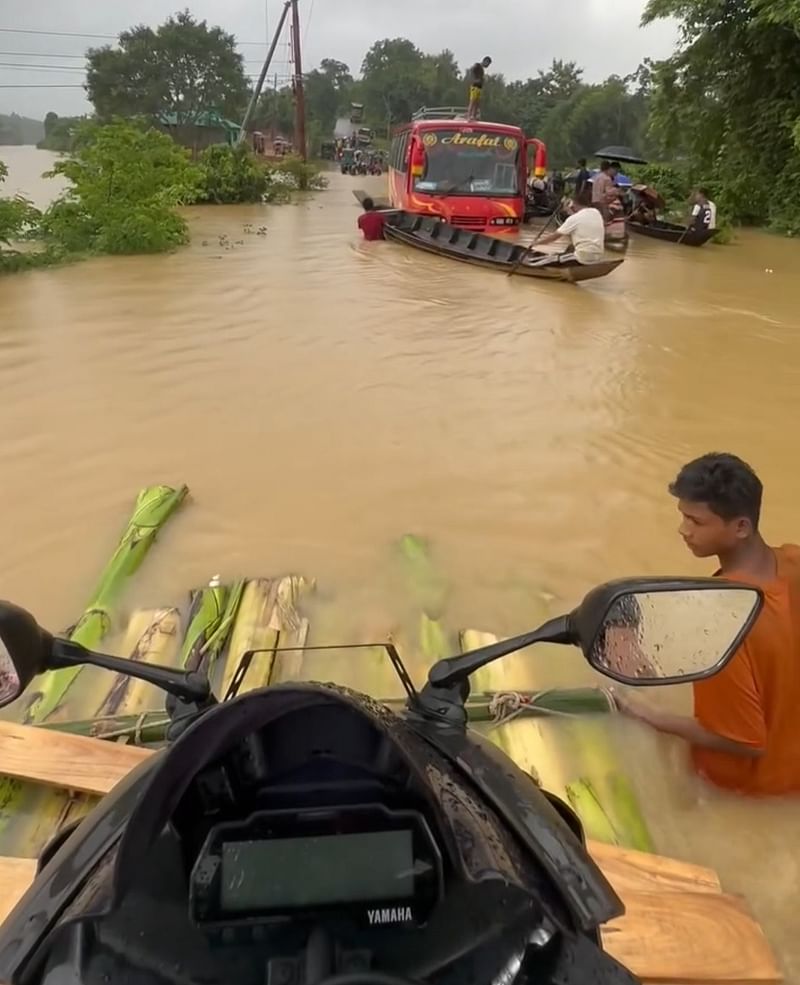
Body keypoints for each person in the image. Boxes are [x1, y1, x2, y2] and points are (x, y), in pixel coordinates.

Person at [615, 452, 800, 796]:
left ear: (741, 526)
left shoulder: (718, 621)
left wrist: (648, 715)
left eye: (696, 522)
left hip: (747, 786)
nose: (683, 530)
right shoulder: (794, 559)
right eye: (683, 517)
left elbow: (742, 741)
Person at [535, 187, 605, 264]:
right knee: (570, 247)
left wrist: (537, 243)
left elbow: (554, 237)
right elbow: (580, 220)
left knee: (548, 259)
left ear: (574, 204)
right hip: (598, 255)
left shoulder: (574, 218)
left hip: (583, 256)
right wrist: (569, 210)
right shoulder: (596, 212)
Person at [467, 56, 492, 121]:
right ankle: (469, 116)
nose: (487, 66)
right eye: (487, 64)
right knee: (472, 101)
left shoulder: (482, 70)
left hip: (479, 87)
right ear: (485, 61)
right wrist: (474, 80)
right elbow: (471, 70)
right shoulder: (477, 65)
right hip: (474, 86)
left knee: (477, 103)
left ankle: (474, 116)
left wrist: (483, 79)